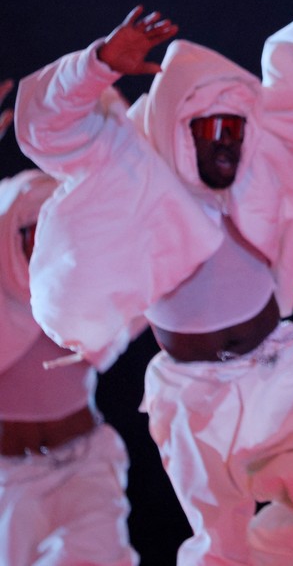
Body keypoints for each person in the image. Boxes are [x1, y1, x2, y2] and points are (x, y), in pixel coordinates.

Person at [15, 0, 293, 565]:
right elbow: (47, 126)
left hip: (279, 372)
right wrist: (99, 64)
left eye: (235, 130)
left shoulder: (260, 171)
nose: (226, 144)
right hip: (192, 400)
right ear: (177, 130)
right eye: (211, 130)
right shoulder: (133, 170)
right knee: (219, 544)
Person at [1, 168, 139, 566]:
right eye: (33, 237)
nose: (43, 252)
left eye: (54, 238)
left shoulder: (81, 287)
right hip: (9, 481)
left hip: (85, 466)